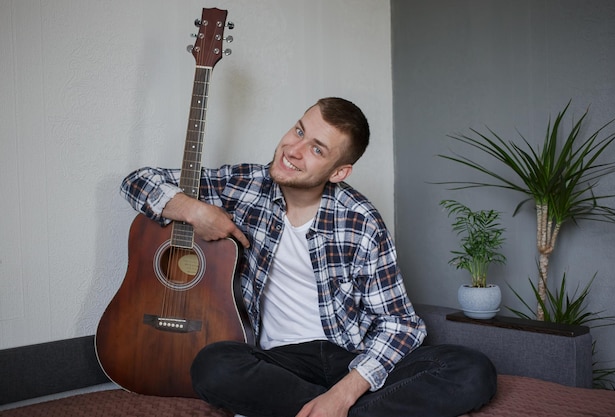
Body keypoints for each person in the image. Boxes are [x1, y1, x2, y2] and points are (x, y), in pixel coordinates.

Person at [120, 97, 497, 417]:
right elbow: (138, 181)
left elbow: (401, 325)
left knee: (472, 370)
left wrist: (344, 394)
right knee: (212, 366)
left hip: (351, 356)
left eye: (316, 149)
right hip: (280, 363)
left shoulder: (360, 220)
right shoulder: (245, 185)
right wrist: (194, 211)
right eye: (299, 131)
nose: (293, 150)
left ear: (339, 171)